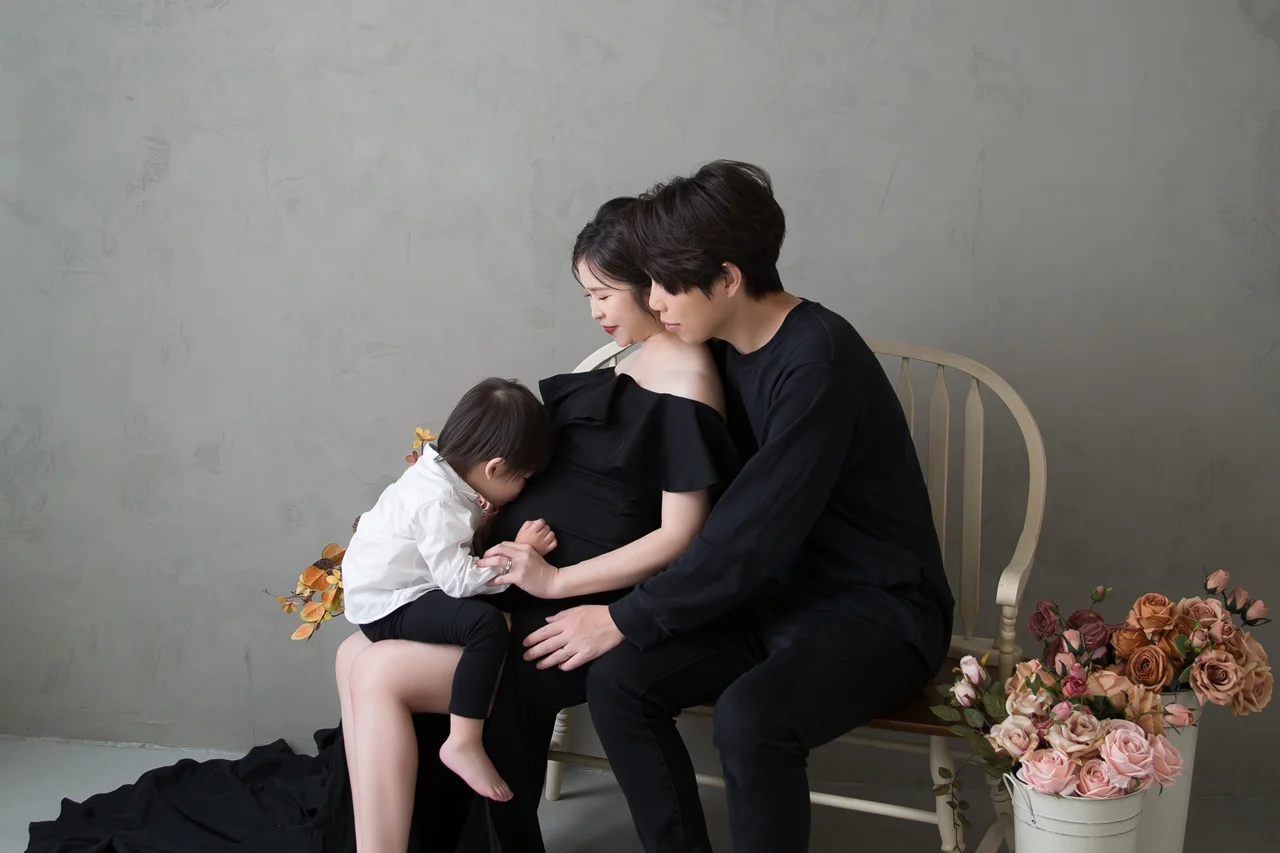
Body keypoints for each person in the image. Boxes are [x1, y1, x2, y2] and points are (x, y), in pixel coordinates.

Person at [518, 161, 956, 853]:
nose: (652, 299)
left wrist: (623, 616)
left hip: (875, 610)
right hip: (769, 597)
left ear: (726, 278)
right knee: (621, 683)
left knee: (751, 719)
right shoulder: (713, 347)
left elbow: (751, 533)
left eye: (665, 284)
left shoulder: (818, 360)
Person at [327, 196, 741, 853]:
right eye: (587, 296)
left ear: (651, 282)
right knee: (354, 653)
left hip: (574, 614)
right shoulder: (624, 362)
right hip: (510, 583)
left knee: (380, 671)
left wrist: (554, 581)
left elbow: (679, 536)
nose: (595, 311)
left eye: (603, 293)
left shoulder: (687, 378)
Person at [340, 375, 556, 825]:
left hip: (392, 591)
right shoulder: (437, 502)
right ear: (494, 468)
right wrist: (519, 557)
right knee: (485, 626)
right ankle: (463, 740)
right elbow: (457, 580)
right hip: (389, 606)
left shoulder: (439, 475)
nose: (522, 490)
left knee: (480, 619)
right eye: (523, 479)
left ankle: (463, 740)